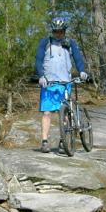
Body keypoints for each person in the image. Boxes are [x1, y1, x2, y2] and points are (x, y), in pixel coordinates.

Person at [35, 17, 88, 153]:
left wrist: (82, 71)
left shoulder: (70, 43)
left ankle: (62, 142)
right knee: (47, 113)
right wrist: (41, 75)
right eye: (56, 31)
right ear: (52, 31)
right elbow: (39, 60)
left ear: (64, 31)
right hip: (49, 83)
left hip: (65, 83)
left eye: (61, 31)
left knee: (65, 114)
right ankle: (45, 142)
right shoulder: (45, 43)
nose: (58, 34)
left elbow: (77, 58)